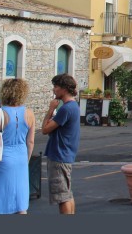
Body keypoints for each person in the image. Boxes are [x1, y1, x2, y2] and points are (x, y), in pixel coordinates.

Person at [0, 78, 35, 214]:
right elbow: (30, 141)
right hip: (21, 157)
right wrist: (27, 159)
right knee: (20, 200)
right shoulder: (29, 113)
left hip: (3, 157)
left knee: (0, 198)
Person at [42, 74, 81, 214]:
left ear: (64, 88)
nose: (54, 90)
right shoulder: (74, 106)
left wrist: (51, 109)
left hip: (59, 155)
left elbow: (45, 129)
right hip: (66, 154)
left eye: (56, 87)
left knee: (62, 197)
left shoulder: (65, 109)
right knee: (67, 194)